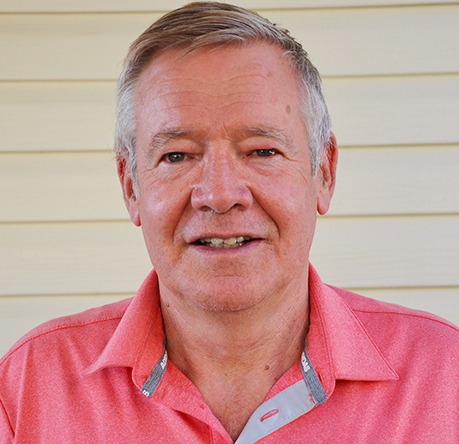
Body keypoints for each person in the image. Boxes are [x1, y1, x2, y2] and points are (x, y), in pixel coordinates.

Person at [1, 2, 457, 443]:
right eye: (176, 155)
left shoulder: (445, 376)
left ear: (325, 172)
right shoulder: (29, 386)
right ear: (131, 186)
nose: (219, 195)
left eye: (262, 151)